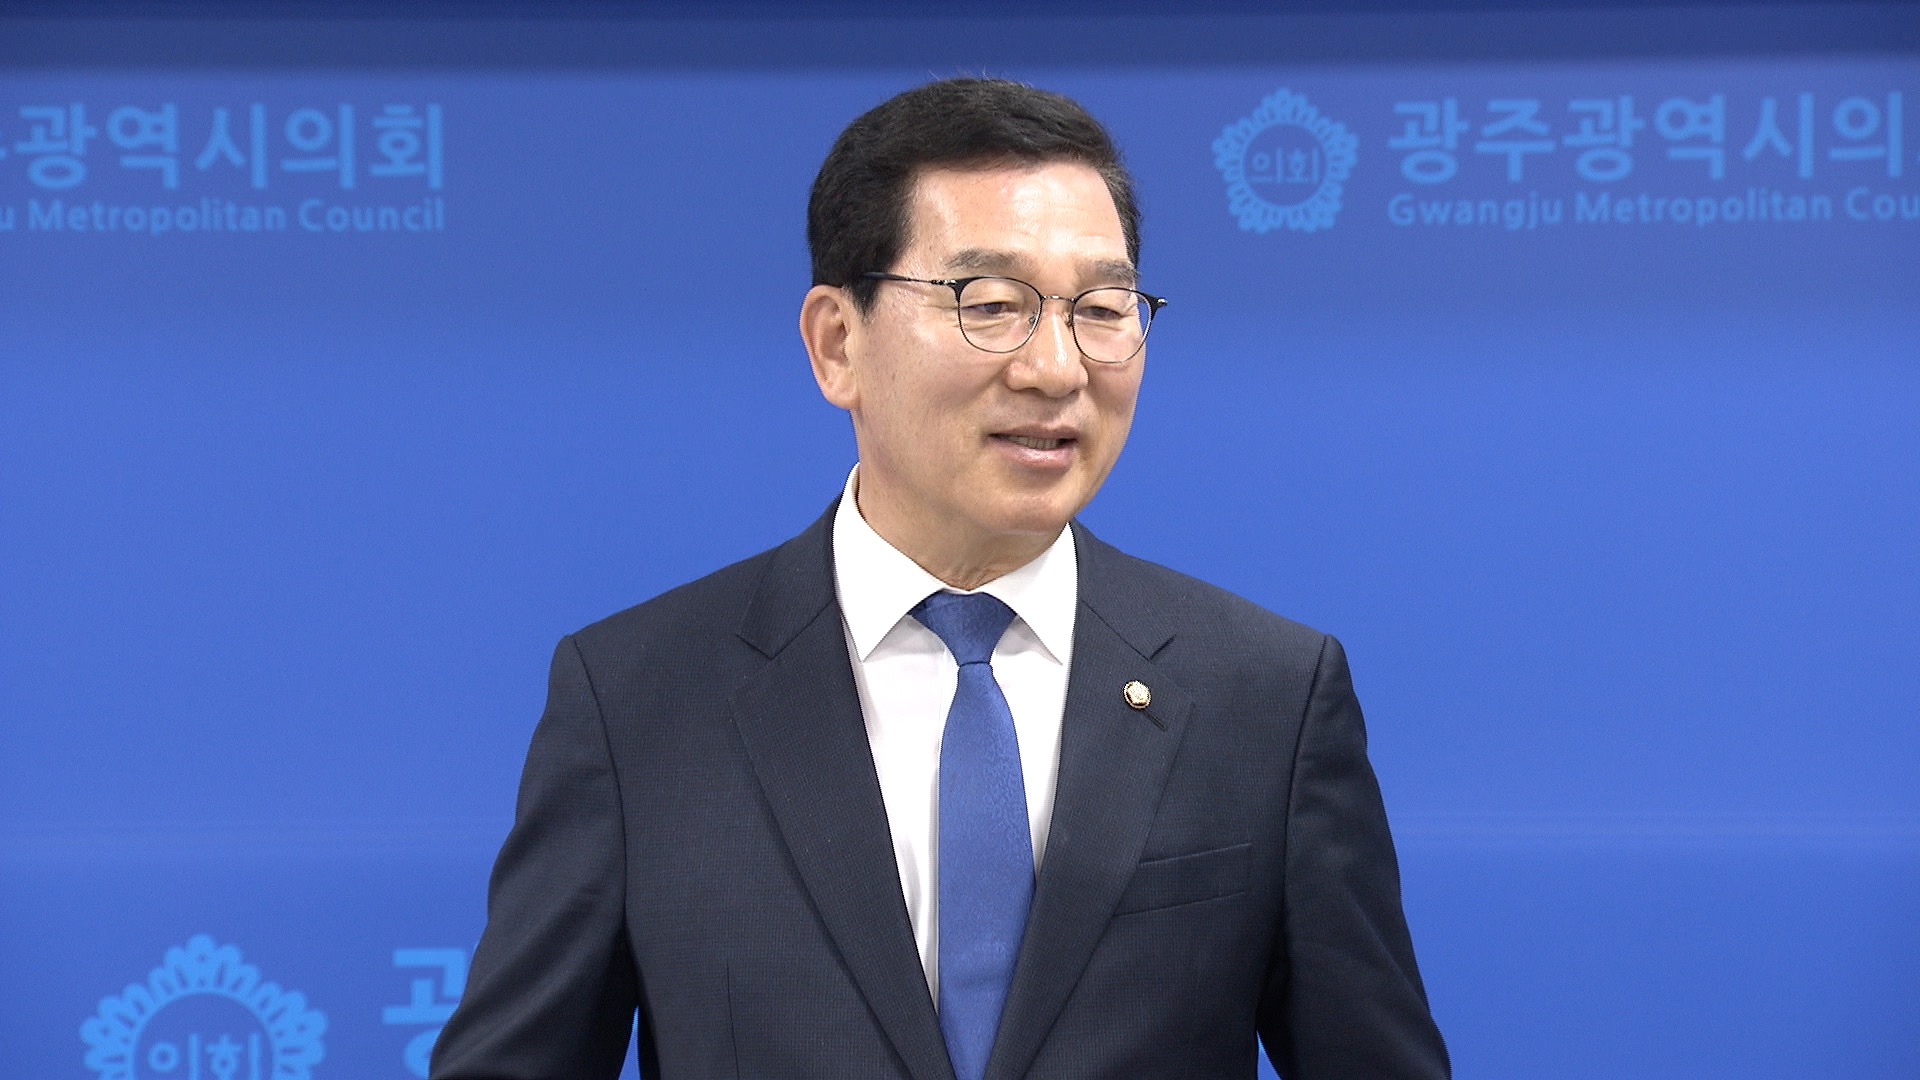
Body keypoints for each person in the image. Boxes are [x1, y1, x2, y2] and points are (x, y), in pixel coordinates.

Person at [431, 77, 1448, 1080]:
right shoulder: (639, 701)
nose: (1058, 368)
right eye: (992, 304)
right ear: (838, 344)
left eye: (1102, 308)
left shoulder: (1265, 698)